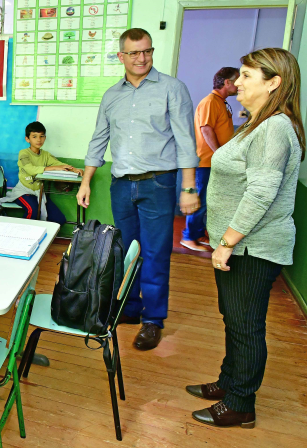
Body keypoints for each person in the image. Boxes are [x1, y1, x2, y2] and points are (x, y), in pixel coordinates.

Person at [188, 48, 304, 429]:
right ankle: (229, 382)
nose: (236, 83)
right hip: (240, 245)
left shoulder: (274, 128)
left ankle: (241, 404)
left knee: (246, 326)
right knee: (234, 319)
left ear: (274, 83)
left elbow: (261, 193)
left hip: (252, 247)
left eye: (246, 76)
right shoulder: (259, 124)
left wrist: (227, 242)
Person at [78, 27, 200, 351]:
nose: (141, 58)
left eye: (147, 51)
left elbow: (186, 140)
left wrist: (189, 187)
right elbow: (98, 140)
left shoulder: (172, 88)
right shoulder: (111, 95)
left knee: (156, 252)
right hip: (121, 185)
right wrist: (86, 181)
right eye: (134, 53)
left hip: (158, 183)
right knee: (125, 250)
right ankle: (129, 308)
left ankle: (153, 320)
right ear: (121, 56)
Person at [181, 67, 239, 252]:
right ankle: (188, 237)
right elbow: (206, 129)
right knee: (199, 200)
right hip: (205, 162)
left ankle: (198, 233)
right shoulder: (210, 102)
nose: (239, 85)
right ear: (227, 82)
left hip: (213, 162)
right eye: (237, 80)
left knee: (207, 199)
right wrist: (219, 154)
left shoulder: (220, 102)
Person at [0, 121, 81, 224]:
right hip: (23, 192)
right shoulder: (24, 153)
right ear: (27, 139)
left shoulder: (45, 155)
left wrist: (74, 169)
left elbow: (59, 164)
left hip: (39, 193)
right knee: (32, 210)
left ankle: (41, 232)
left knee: (59, 219)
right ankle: (22, 232)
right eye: (34, 136)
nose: (38, 140)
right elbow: (30, 169)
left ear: (45, 138)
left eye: (41, 136)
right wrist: (52, 168)